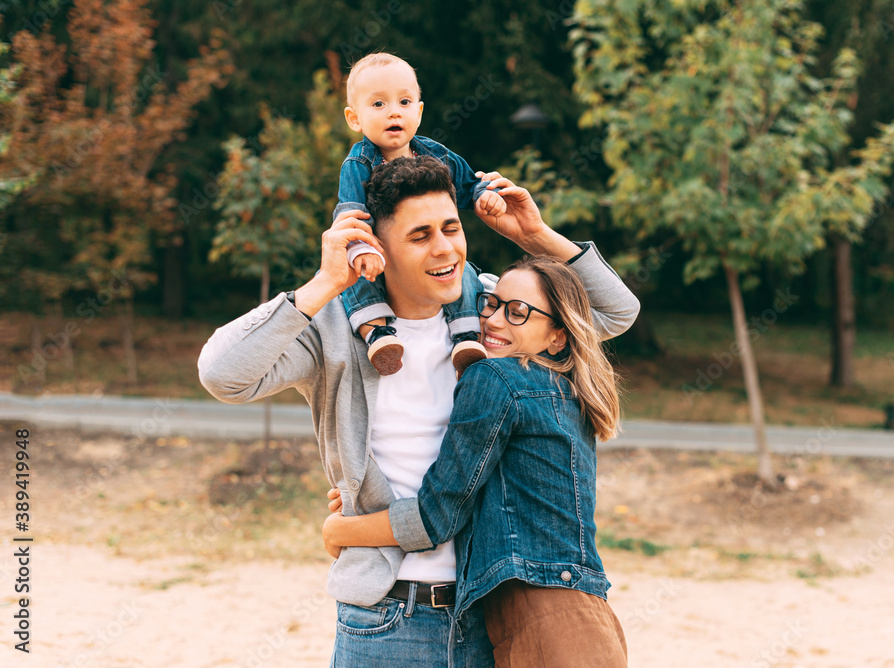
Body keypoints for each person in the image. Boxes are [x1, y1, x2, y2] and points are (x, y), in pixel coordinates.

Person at [197, 155, 640, 667]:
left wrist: (535, 235)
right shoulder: (334, 329)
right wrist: (323, 284)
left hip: (489, 617)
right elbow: (222, 373)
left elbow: (613, 312)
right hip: (386, 617)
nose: (445, 248)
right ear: (377, 250)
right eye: (420, 236)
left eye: (451, 227)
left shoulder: (491, 310)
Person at [322, 255, 629, 667]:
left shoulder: (496, 378)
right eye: (490, 303)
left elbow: (438, 516)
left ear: (558, 337)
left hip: (542, 624)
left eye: (518, 312)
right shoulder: (564, 393)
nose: (494, 320)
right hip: (589, 617)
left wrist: (343, 531)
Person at [337, 51, 504, 377]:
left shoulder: (433, 152)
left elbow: (469, 183)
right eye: (378, 105)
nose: (393, 113)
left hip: (419, 264)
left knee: (463, 270)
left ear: (419, 110)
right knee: (356, 278)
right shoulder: (359, 163)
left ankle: (466, 335)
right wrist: (361, 249)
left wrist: (486, 196)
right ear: (354, 118)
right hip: (377, 252)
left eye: (404, 102)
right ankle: (377, 332)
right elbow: (350, 213)